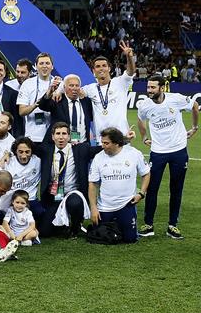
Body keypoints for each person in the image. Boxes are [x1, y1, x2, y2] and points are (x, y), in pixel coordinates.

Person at [136, 75, 198, 239]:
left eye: (153, 88)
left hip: (179, 151)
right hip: (157, 152)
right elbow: (140, 120)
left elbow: (195, 105)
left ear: (162, 88)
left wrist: (194, 127)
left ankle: (172, 226)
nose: (149, 91)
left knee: (176, 189)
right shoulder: (144, 106)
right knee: (152, 188)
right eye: (148, 87)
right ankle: (149, 225)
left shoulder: (176, 99)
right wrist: (143, 137)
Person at [34, 122, 101, 238]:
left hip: (73, 192)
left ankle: (76, 226)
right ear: (52, 136)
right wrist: (7, 154)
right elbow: (24, 145)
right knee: (44, 232)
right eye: (58, 134)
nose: (61, 137)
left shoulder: (80, 149)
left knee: (75, 203)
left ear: (69, 136)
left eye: (64, 134)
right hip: (54, 195)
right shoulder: (46, 150)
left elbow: (103, 147)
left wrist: (124, 140)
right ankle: (61, 225)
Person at [88, 128, 151, 244]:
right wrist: (93, 208)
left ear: (117, 143)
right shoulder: (98, 158)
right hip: (105, 207)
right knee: (102, 237)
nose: (103, 146)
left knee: (129, 239)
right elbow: (92, 183)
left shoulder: (134, 154)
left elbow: (146, 173)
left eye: (106, 143)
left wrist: (141, 193)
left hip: (126, 204)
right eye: (102, 142)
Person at [83, 41, 137, 140]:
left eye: (104, 66)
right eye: (97, 66)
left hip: (122, 137)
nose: (101, 69)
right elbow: (73, 88)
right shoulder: (90, 89)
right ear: (93, 71)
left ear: (109, 68)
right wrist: (59, 90)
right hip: (101, 140)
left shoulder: (120, 82)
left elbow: (131, 71)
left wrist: (129, 57)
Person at [38, 74, 93, 145]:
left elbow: (91, 118)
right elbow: (43, 106)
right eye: (71, 85)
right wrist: (50, 91)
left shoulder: (86, 101)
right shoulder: (58, 99)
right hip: (60, 146)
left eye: (77, 85)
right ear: (64, 87)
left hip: (82, 145)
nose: (74, 88)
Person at [17, 52, 56, 144]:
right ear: (36, 66)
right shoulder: (27, 84)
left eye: (47, 63)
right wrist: (37, 104)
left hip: (53, 137)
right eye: (41, 63)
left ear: (52, 66)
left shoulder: (59, 84)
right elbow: (21, 111)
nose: (44, 66)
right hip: (33, 136)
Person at [6, 137, 41, 202]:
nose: (24, 156)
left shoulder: (38, 162)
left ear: (32, 152)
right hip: (13, 201)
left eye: (27, 152)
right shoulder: (8, 163)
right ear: (15, 152)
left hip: (31, 200)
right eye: (20, 152)